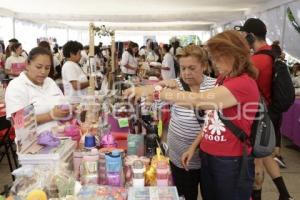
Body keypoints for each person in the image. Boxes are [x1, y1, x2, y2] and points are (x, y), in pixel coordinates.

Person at [124, 30, 259, 200]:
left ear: (235, 55)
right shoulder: (224, 80)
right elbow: (212, 119)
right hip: (209, 156)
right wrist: (194, 147)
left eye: (218, 57)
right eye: (214, 57)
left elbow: (201, 100)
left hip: (229, 160)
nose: (215, 62)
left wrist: (158, 92)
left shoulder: (243, 83)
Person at [235, 18, 293, 200]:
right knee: (266, 155)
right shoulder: (273, 54)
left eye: (245, 36)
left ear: (251, 36)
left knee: (256, 164)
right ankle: (284, 194)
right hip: (272, 115)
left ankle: (258, 196)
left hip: (258, 117)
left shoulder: (257, 60)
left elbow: (241, 87)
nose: (243, 39)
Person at [160, 45, 215, 200]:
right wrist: (161, 87)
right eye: (183, 68)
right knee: (185, 195)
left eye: (192, 68)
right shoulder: (175, 85)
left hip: (207, 158)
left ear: (204, 65)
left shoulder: (215, 86)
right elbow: (151, 104)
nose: (186, 73)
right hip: (179, 157)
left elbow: (216, 122)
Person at [5, 47, 70, 134]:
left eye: (47, 68)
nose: (43, 72)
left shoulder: (50, 82)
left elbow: (63, 103)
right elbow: (17, 122)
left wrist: (66, 110)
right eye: (38, 67)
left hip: (61, 135)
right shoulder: (16, 86)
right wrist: (50, 115)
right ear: (27, 64)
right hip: (34, 143)